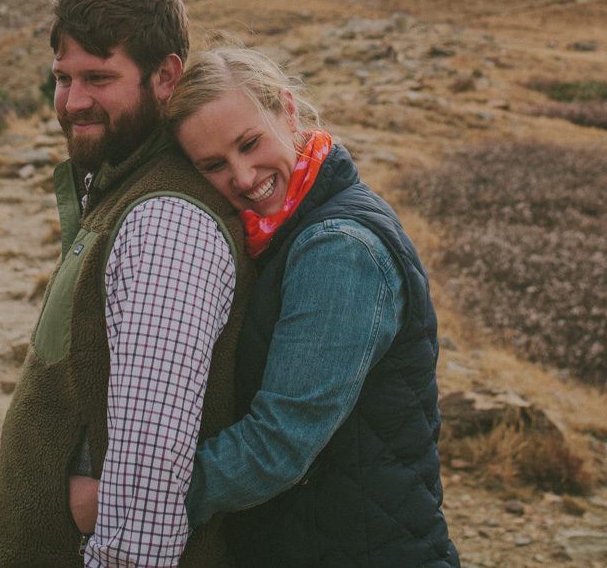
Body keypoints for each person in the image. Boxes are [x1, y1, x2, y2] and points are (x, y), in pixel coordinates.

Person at [75, 47, 460, 565]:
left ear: (287, 109)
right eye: (213, 165)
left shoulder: (338, 249)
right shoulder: (282, 234)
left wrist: (125, 500)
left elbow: (278, 446)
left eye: (249, 143)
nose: (243, 176)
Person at [0, 0, 253, 567]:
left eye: (99, 78)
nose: (73, 100)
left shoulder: (164, 222)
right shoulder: (121, 187)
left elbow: (148, 470)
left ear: (166, 77)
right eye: (63, 78)